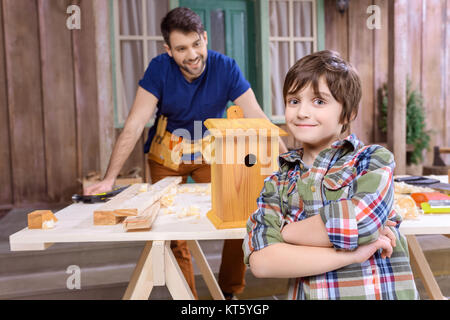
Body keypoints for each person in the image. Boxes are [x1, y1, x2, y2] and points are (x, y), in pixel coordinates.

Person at [85, 7, 287, 300]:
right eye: (181, 49)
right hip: (167, 156)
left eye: (196, 44)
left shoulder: (226, 67)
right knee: (170, 229)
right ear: (168, 50)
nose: (192, 55)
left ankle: (229, 291)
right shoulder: (158, 69)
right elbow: (134, 124)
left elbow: (259, 119)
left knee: (239, 215)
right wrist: (109, 179)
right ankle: (187, 298)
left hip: (209, 154)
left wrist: (290, 166)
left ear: (205, 38)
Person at [243, 50, 419, 300]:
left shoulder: (372, 160)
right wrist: (352, 254)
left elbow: (360, 223)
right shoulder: (277, 182)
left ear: (347, 114)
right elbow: (262, 261)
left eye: (319, 101)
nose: (302, 112)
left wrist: (285, 231)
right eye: (294, 101)